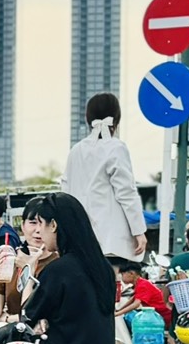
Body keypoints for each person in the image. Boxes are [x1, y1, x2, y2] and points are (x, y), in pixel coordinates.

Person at [14, 193, 122, 344]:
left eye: (42, 224)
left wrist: (29, 269)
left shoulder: (59, 270)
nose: (40, 232)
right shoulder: (101, 267)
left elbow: (25, 315)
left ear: (55, 225)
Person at [59, 91, 147, 264]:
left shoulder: (76, 150)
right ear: (117, 118)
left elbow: (65, 193)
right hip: (110, 239)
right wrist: (138, 231)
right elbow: (126, 192)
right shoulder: (116, 148)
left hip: (80, 238)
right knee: (110, 286)